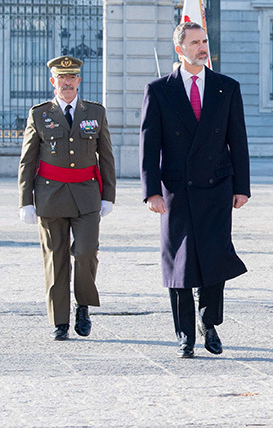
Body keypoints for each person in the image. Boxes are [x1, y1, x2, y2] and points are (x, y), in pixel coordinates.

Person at [140, 21, 250, 359]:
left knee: (215, 258)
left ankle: (209, 322)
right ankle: (184, 334)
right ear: (180, 49)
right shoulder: (159, 90)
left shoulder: (226, 87)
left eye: (204, 41)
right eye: (195, 43)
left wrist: (242, 187)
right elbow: (149, 144)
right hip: (176, 189)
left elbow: (238, 141)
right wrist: (151, 191)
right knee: (179, 265)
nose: (202, 47)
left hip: (217, 186)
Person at [18, 55, 116, 341]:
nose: (67, 83)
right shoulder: (40, 114)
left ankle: (82, 305)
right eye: (62, 79)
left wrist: (108, 195)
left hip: (86, 195)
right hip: (50, 195)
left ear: (79, 81)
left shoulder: (94, 113)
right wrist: (25, 201)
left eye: (72, 78)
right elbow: (28, 160)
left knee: (86, 253)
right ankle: (59, 320)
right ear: (53, 83)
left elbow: (106, 156)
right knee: (55, 259)